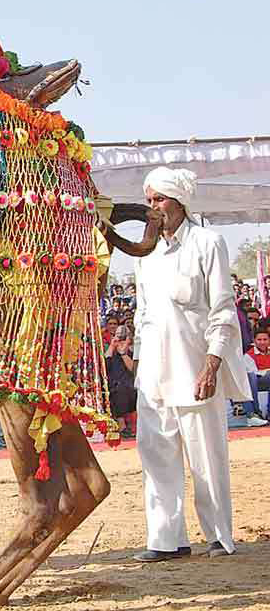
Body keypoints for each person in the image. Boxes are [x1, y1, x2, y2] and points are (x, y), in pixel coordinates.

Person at [132, 167, 250, 562]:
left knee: (206, 458)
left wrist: (212, 365)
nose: (153, 208)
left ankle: (219, 536)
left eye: (160, 200)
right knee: (156, 457)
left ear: (179, 201)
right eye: (149, 200)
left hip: (195, 370)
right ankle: (166, 540)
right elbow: (142, 314)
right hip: (153, 374)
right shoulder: (144, 252)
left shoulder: (207, 242)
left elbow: (223, 310)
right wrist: (137, 363)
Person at [105, 327, 139, 436]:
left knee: (125, 389)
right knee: (118, 389)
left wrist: (123, 353)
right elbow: (105, 367)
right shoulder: (111, 351)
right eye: (119, 336)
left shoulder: (133, 351)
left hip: (131, 385)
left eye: (124, 336)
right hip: (115, 386)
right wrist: (112, 346)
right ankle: (122, 425)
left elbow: (133, 370)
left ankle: (127, 425)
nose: (121, 339)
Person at [240, 329, 270, 421]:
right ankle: (255, 412)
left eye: (265, 339)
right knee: (251, 376)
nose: (262, 342)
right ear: (254, 341)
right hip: (257, 381)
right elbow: (252, 373)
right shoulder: (249, 355)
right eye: (259, 340)